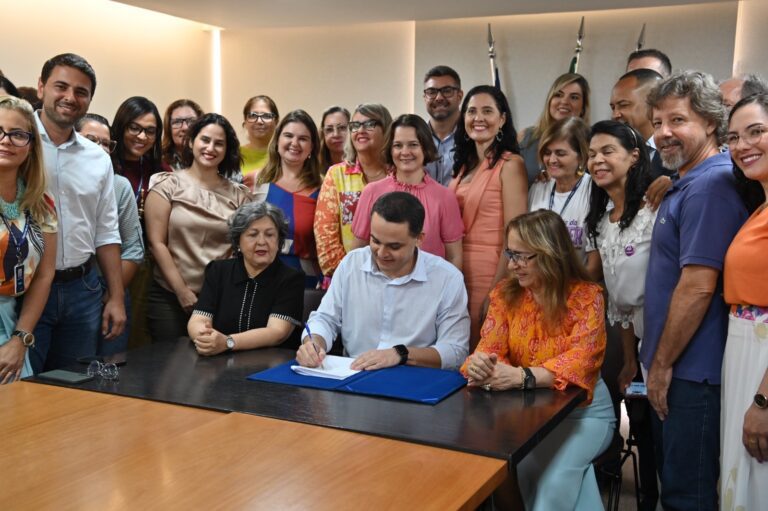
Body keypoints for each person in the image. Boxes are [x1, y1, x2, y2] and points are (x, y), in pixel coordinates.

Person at [642, 71, 748, 510]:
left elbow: (699, 287)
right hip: (680, 368)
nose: (664, 132)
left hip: (691, 372)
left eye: (678, 120)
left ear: (710, 122)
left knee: (688, 496)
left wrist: (662, 364)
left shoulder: (709, 186)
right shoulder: (690, 180)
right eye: (657, 122)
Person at [463, 209, 614, 510]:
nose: (511, 265)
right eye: (510, 254)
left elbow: (582, 359)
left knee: (552, 484)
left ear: (550, 254)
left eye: (521, 256)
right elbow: (490, 347)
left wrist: (523, 376)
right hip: (528, 416)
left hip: (584, 414)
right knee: (535, 479)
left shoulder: (587, 297)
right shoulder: (505, 295)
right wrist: (482, 365)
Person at [297, 192, 469, 371]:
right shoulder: (351, 264)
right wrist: (313, 343)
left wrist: (400, 354)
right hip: (352, 374)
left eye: (394, 246)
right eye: (375, 241)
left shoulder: (447, 278)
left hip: (414, 378)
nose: (381, 253)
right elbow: (325, 319)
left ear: (419, 239)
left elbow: (456, 351)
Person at [30, 53, 125, 373]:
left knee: (73, 386)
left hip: (82, 290)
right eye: (61, 86)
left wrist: (116, 296)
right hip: (25, 290)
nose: (70, 97)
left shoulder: (98, 158)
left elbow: (107, 231)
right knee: (19, 387)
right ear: (41, 87)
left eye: (81, 92)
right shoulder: (16, 143)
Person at [585, 120, 659, 509]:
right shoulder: (602, 221)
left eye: (607, 151)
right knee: (642, 426)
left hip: (668, 337)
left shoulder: (655, 208)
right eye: (591, 154)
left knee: (667, 434)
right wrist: (629, 359)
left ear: (633, 156)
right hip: (637, 340)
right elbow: (620, 304)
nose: (597, 160)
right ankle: (648, 498)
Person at [144, 113, 251, 342]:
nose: (210, 148)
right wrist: (182, 291)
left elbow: (241, 250)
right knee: (169, 362)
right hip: (169, 296)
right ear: (192, 142)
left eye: (219, 143)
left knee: (215, 360)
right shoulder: (166, 185)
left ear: (227, 150)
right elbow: (156, 243)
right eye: (205, 140)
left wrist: (219, 296)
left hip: (220, 299)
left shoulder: (239, 195)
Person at [449, 85, 527, 348]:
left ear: (502, 119)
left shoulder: (511, 164)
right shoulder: (462, 167)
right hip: (457, 270)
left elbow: (515, 236)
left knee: (484, 349)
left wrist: (498, 290)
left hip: (491, 272)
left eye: (487, 111)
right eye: (471, 111)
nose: (478, 118)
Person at [720, 93, 768, 510]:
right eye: (734, 137)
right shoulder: (759, 206)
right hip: (745, 354)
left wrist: (764, 400)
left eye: (756, 132)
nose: (742, 145)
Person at [188, 201, 304, 354]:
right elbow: (199, 319)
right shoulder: (218, 271)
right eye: (253, 235)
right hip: (217, 361)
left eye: (270, 235)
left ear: (279, 241)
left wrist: (227, 342)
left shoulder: (291, 278)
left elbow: (277, 332)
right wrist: (206, 339)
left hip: (270, 363)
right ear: (238, 241)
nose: (262, 242)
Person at [351, 114, 463, 269]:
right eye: (398, 145)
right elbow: (356, 253)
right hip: (379, 281)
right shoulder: (371, 192)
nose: (405, 152)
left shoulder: (445, 197)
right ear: (390, 149)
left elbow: (454, 256)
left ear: (425, 148)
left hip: (429, 283)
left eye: (413, 145)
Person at [75, 113, 144, 355]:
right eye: (92, 140)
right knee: (73, 366)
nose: (100, 148)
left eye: (106, 143)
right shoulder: (55, 179)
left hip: (110, 282)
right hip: (70, 285)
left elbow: (134, 249)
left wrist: (113, 296)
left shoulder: (119, 185)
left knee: (110, 365)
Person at [0, 95, 56, 383]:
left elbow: (45, 275)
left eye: (18, 134)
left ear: (31, 145)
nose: (5, 140)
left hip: (11, 324)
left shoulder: (42, 202)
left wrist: (20, 338)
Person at [314, 104, 392, 278]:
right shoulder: (336, 174)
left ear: (386, 129)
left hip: (394, 276)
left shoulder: (398, 175)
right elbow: (326, 239)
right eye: (355, 126)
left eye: (369, 124)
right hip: (347, 277)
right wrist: (352, 275)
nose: (361, 130)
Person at [254, 109, 323, 288]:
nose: (295, 143)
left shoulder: (324, 188)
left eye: (303, 138)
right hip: (260, 278)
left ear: (312, 147)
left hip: (306, 283)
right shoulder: (256, 182)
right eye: (288, 136)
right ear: (277, 141)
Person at [527, 116, 600, 277]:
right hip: (539, 285)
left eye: (560, 153)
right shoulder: (538, 186)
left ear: (581, 156)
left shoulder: (594, 190)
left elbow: (595, 269)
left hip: (579, 286)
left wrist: (563, 287)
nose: (552, 160)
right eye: (547, 153)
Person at [518, 73, 591, 186]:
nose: (564, 101)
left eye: (574, 97)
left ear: (583, 107)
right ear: (550, 100)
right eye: (558, 95)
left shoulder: (592, 141)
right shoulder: (525, 137)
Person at [422, 65, 464, 186]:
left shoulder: (473, 137)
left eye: (447, 91)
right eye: (432, 92)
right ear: (425, 98)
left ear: (459, 96)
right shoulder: (416, 138)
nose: (439, 97)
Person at [240, 95, 279, 188]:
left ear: (276, 121)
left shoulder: (284, 155)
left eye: (266, 116)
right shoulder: (233, 155)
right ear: (245, 121)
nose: (259, 121)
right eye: (253, 115)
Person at [161, 99, 203, 171]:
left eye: (191, 121)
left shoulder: (210, 158)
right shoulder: (158, 163)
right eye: (177, 122)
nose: (185, 127)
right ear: (168, 128)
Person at [318, 106, 350, 173]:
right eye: (329, 129)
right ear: (323, 133)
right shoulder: (315, 169)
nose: (336, 135)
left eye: (342, 128)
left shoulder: (364, 166)